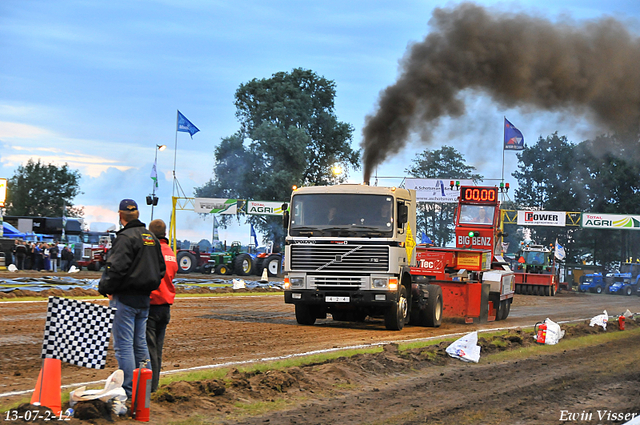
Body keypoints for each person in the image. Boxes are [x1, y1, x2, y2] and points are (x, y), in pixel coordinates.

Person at [98, 199, 166, 398]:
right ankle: (143, 390)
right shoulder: (150, 238)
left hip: (125, 299)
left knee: (124, 346)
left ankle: (128, 391)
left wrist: (105, 287)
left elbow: (115, 268)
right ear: (137, 214)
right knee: (140, 345)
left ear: (120, 216)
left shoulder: (125, 237)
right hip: (145, 300)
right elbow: (160, 269)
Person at [145, 219, 178, 393]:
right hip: (166, 307)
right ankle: (154, 385)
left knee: (148, 350)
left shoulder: (151, 252)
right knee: (157, 349)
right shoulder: (171, 252)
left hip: (151, 304)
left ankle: (148, 387)